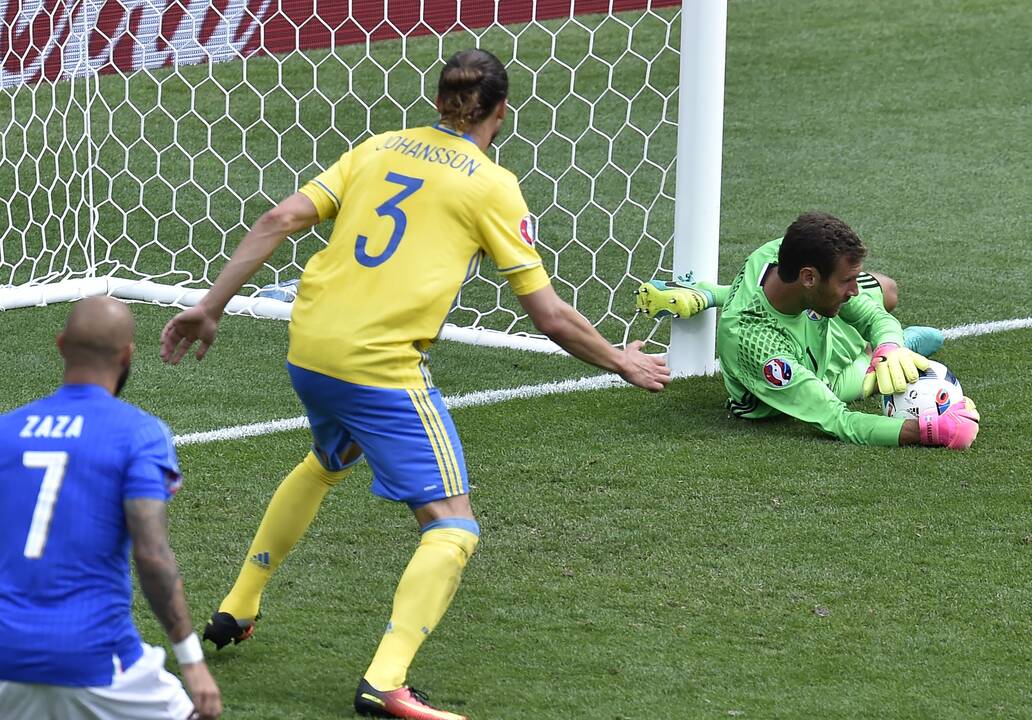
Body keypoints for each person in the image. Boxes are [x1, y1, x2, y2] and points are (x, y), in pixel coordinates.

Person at [159, 48, 669, 720]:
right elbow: (548, 315)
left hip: (311, 347)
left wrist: (209, 306)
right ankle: (386, 682)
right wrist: (620, 359)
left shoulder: (378, 147)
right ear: (500, 111)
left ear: (439, 101)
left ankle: (238, 605)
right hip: (378, 367)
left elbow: (277, 220)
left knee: (329, 458)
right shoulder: (490, 184)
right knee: (453, 528)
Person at [0, 297, 222, 720]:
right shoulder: (139, 434)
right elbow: (152, 555)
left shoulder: (6, 432)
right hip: (95, 655)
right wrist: (191, 660)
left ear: (61, 345)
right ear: (127, 355)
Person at [635, 211, 980, 449]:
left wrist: (889, 346)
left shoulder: (779, 253)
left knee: (887, 291)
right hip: (804, 383)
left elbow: (874, 317)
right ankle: (884, 356)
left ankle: (710, 292)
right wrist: (929, 431)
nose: (855, 288)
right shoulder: (757, 344)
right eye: (847, 280)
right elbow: (837, 421)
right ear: (809, 277)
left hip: (821, 329)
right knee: (862, 380)